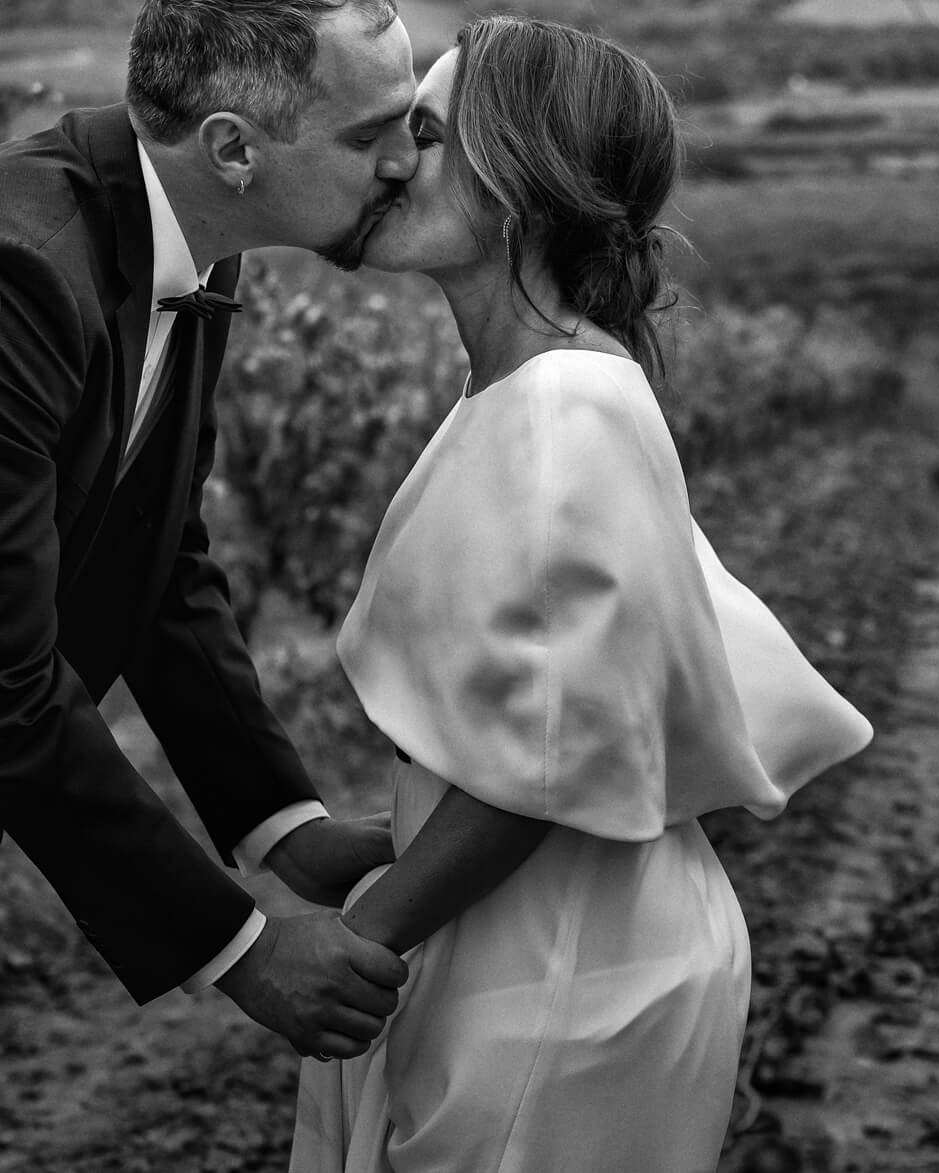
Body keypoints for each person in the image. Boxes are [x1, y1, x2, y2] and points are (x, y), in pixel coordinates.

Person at [287, 15, 874, 1172]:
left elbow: (555, 752)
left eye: (426, 134)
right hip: (549, 941)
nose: (392, 163)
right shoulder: (531, 389)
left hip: (561, 976)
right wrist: (390, 836)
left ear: (524, 175)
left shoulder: (564, 405)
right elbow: (575, 688)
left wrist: (366, 937)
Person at [0, 0, 421, 1062]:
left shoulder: (190, 242)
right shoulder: (22, 273)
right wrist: (241, 946)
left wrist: (284, 824)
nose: (407, 164)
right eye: (372, 134)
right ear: (233, 147)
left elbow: (158, 552)